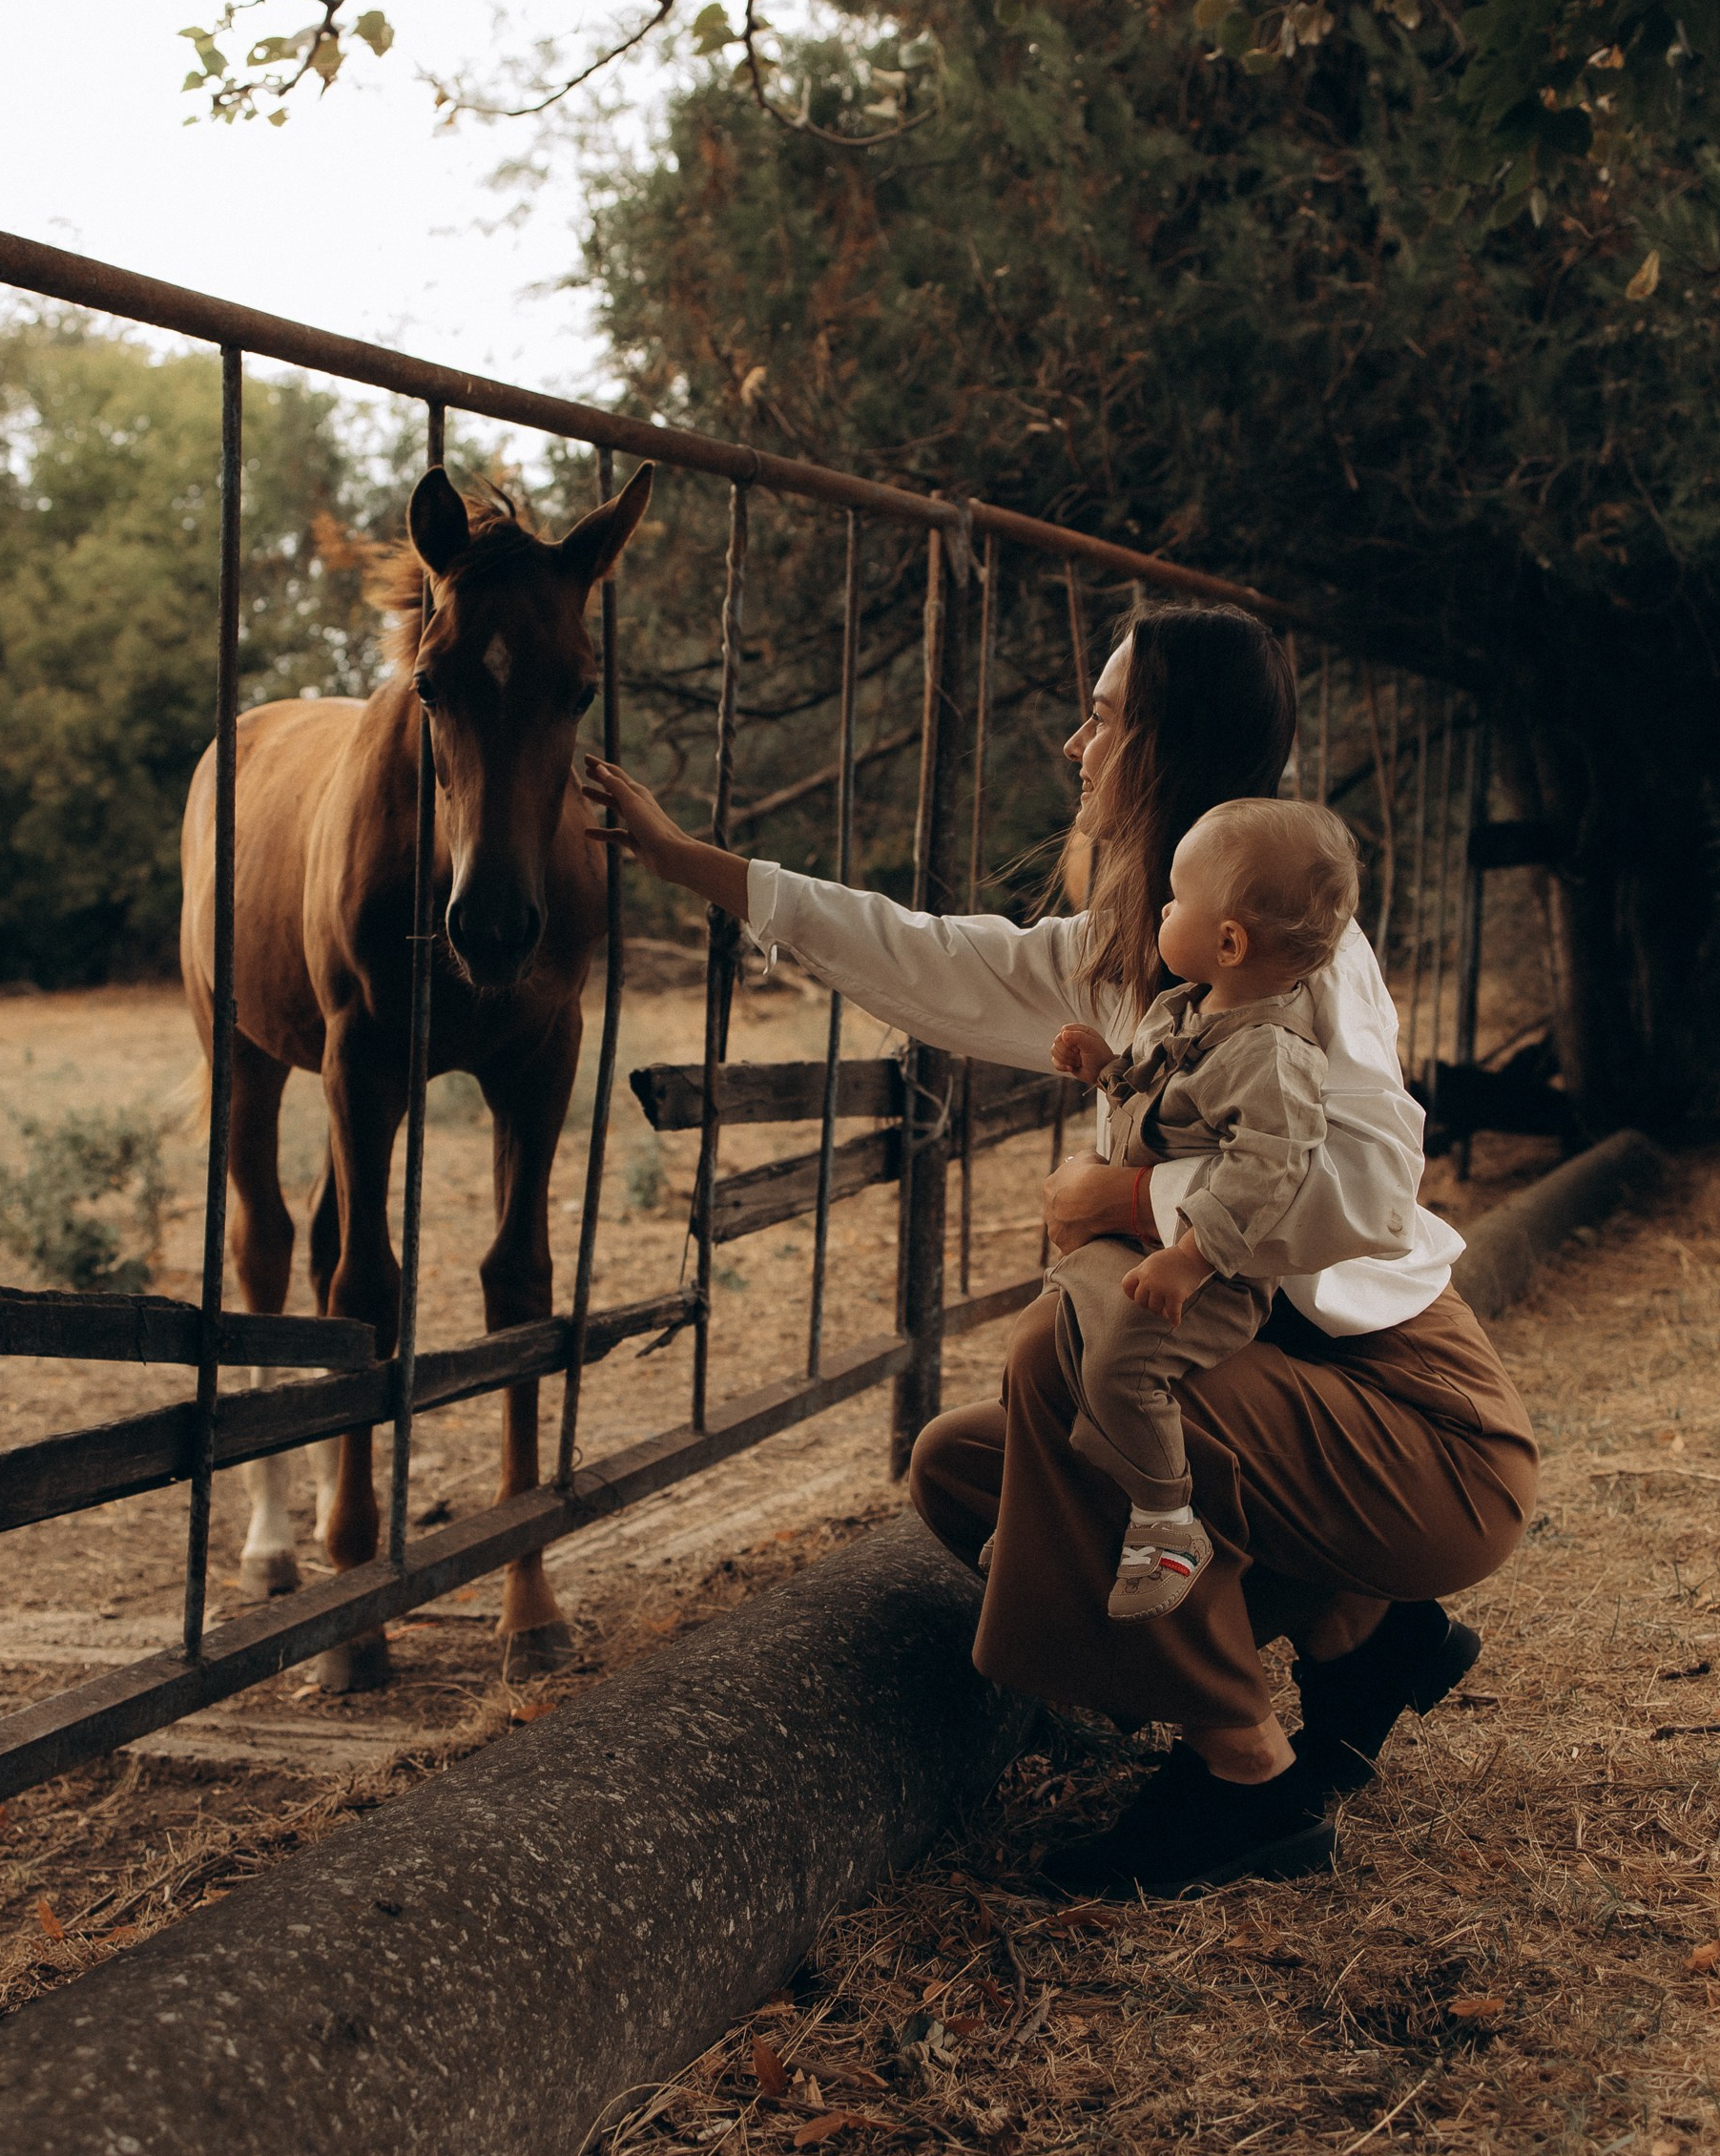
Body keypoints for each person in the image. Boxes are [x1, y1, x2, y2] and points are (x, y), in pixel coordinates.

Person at [582, 599, 1538, 1899]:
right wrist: (695, 862)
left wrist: (1133, 1201)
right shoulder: (1149, 956)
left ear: (1165, 744)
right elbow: (928, 959)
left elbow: (1373, 1181)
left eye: (1102, 717)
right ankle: (1362, 1634)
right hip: (1313, 1409)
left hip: (1427, 1432)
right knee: (968, 1472)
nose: (1075, 746)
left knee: (1058, 1358)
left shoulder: (1296, 969)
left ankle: (1243, 1779)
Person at [1041, 795, 1378, 1624]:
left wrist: (1190, 1259)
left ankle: (1167, 1523)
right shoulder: (1184, 1009)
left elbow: (1270, 1167)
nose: (1160, 908)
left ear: (1229, 940)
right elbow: (1161, 1100)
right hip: (1142, 1252)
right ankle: (1057, 1523)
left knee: (1122, 1364)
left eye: (1175, 899)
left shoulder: (1272, 1055)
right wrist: (1106, 1071)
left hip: (1210, 1280)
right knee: (1059, 1344)